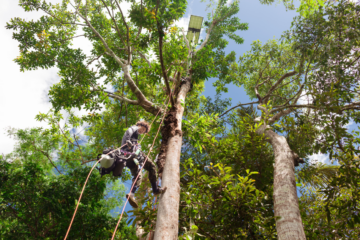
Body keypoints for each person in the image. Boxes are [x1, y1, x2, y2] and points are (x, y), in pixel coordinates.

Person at [112, 120, 166, 208]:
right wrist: (128, 143)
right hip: (131, 154)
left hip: (130, 157)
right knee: (152, 166)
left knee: (138, 176)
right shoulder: (134, 128)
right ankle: (155, 190)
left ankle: (131, 194)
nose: (142, 131)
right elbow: (128, 132)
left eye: (144, 131)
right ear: (140, 125)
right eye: (143, 128)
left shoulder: (136, 137)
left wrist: (133, 145)